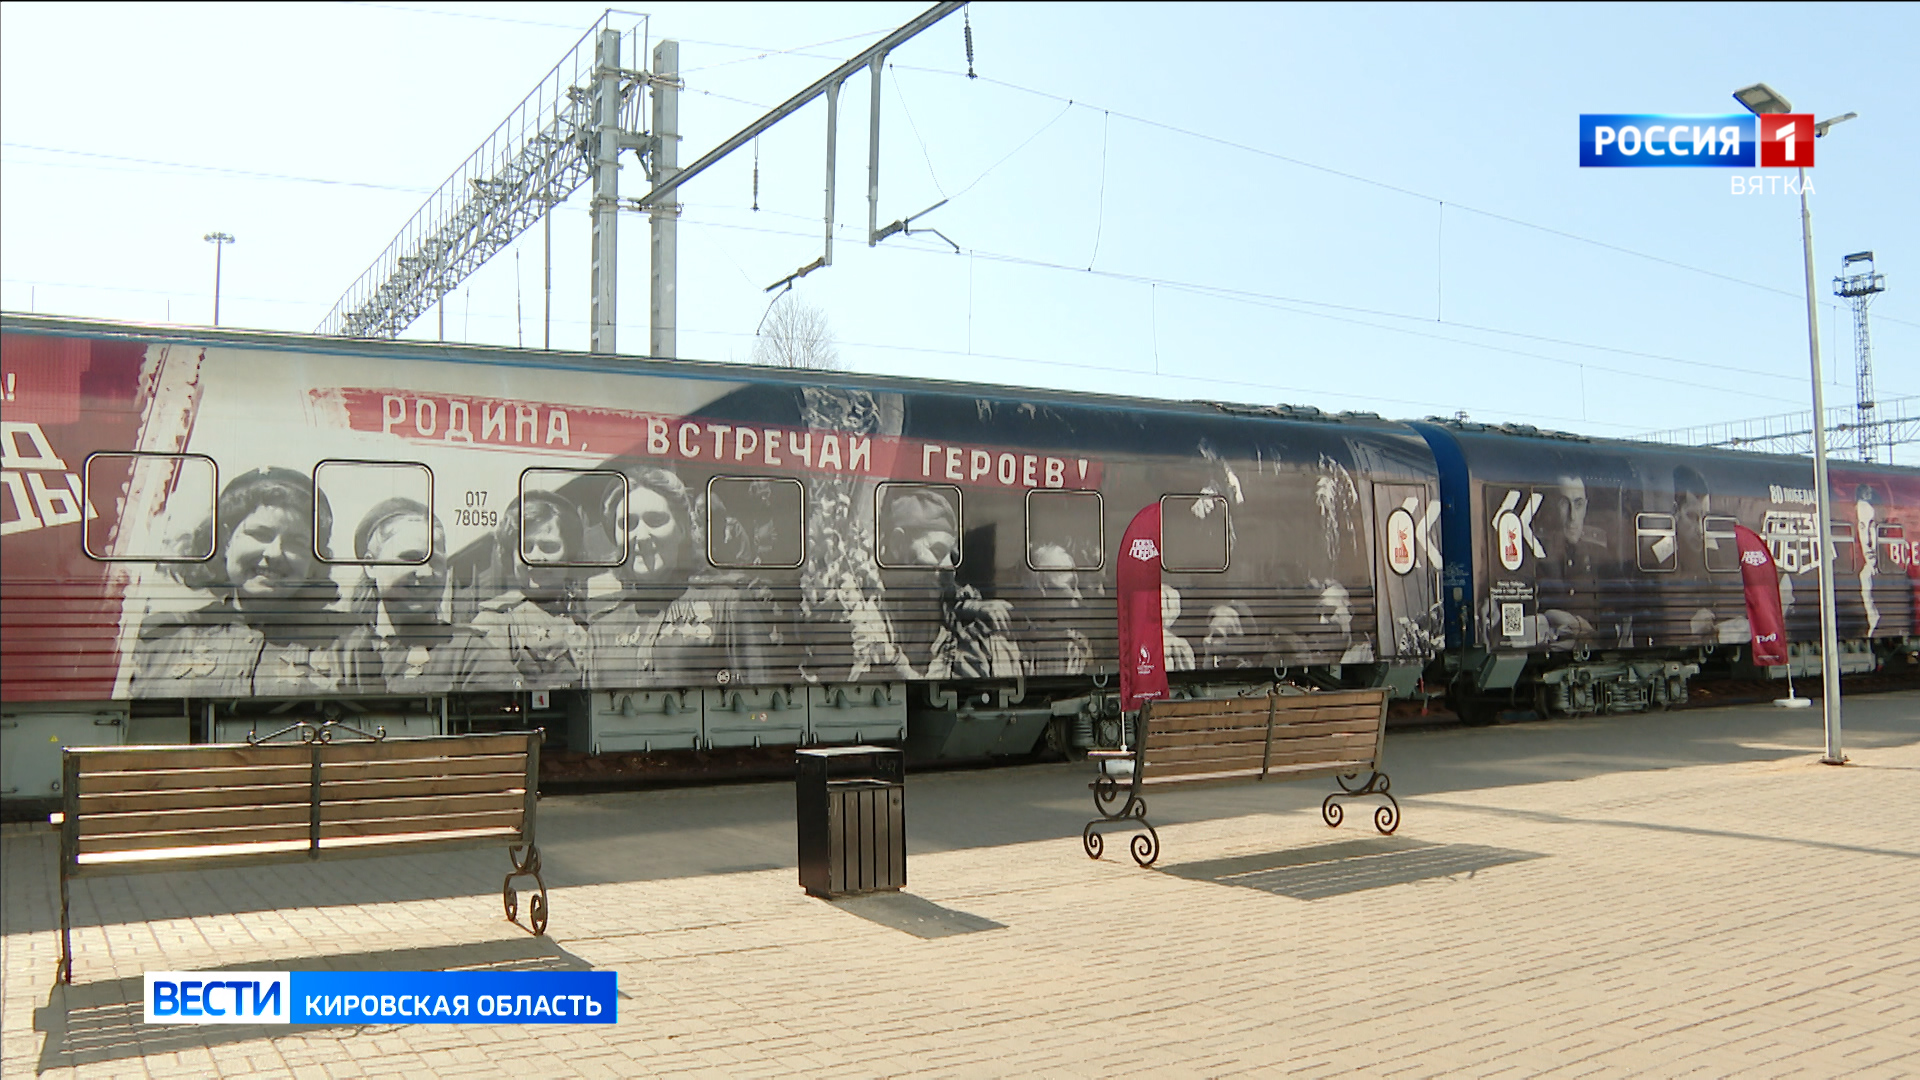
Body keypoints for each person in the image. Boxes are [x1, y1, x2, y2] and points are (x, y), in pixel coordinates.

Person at [127, 467, 350, 699]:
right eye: (260, 534)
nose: (274, 552)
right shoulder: (162, 638)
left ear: (314, 562)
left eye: (297, 543)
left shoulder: (349, 642)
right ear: (225, 541)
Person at [588, 466, 777, 688]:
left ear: (682, 529)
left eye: (655, 520)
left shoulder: (728, 608)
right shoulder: (602, 630)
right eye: (627, 524)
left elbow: (763, 698)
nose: (641, 536)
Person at [337, 498, 509, 694]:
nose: (426, 572)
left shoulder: (468, 653)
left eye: (436, 561)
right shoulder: (341, 651)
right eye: (411, 558)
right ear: (370, 565)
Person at [469, 489, 594, 689]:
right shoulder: (497, 620)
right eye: (525, 548)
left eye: (549, 547)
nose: (535, 558)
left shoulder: (584, 617)